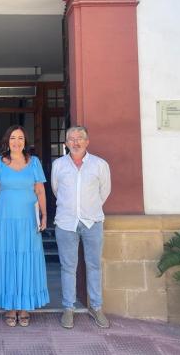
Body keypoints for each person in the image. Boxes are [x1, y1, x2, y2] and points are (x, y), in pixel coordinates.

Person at [0, 125, 49, 327]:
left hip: (28, 219)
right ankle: (10, 306)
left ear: (25, 141)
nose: (16, 141)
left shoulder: (34, 162)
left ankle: (24, 307)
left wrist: (44, 215)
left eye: (20, 138)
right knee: (7, 258)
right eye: (13, 138)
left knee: (27, 257)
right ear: (7, 141)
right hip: (4, 218)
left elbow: (40, 191)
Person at [51, 126, 111, 329]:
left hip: (92, 222)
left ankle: (96, 307)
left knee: (94, 265)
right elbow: (56, 190)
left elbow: (104, 191)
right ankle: (69, 308)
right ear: (66, 143)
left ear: (87, 141)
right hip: (66, 222)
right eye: (71, 139)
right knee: (68, 267)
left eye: (80, 138)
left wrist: (89, 208)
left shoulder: (99, 165)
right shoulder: (59, 165)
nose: (75, 142)